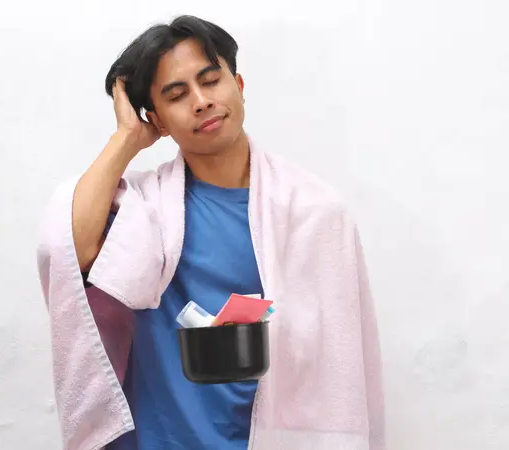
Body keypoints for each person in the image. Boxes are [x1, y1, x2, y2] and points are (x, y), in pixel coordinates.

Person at [37, 15, 386, 450]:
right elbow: (68, 253)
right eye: (177, 95)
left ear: (238, 86)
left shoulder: (315, 212)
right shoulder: (142, 208)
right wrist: (126, 137)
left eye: (211, 81)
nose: (201, 102)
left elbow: (344, 363)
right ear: (157, 118)